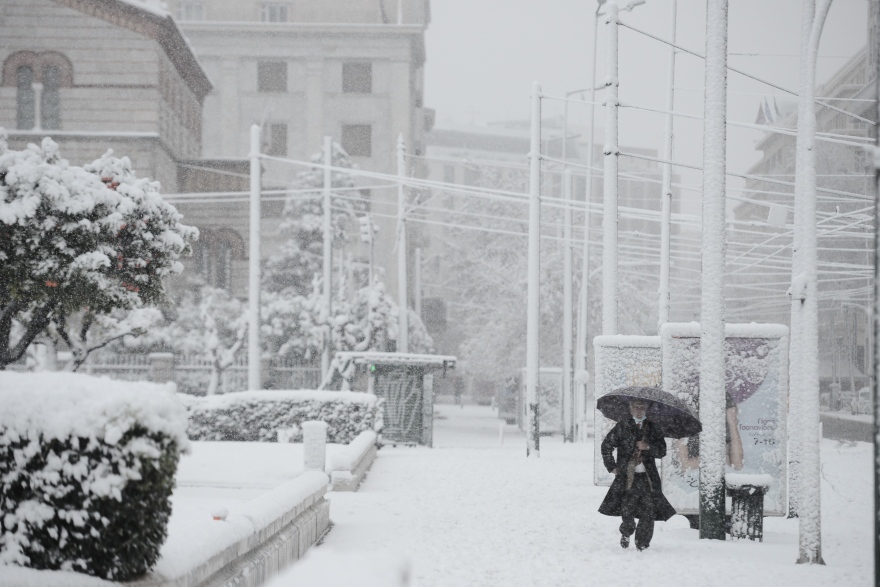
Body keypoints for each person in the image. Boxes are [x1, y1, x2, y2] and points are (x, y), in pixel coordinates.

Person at [599, 399, 677, 551]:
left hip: (648, 478)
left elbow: (662, 451)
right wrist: (612, 466)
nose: (639, 409)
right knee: (627, 510)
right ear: (630, 408)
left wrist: (648, 446)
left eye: (642, 407)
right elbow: (606, 445)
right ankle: (626, 532)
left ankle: (642, 543)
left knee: (648, 511)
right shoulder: (623, 426)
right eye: (636, 406)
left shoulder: (653, 427)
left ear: (646, 409)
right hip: (627, 478)